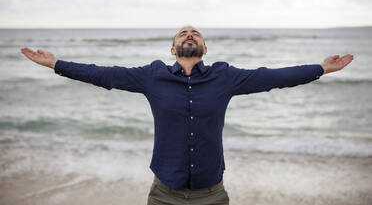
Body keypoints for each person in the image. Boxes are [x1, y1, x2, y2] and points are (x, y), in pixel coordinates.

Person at [20, 25, 354, 205]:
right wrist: (56, 64)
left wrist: (320, 69)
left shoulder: (224, 77)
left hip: (213, 193)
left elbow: (272, 78)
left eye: (195, 33)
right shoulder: (151, 76)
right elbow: (104, 73)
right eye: (183, 33)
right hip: (164, 193)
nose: (189, 34)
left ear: (205, 49)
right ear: (173, 49)